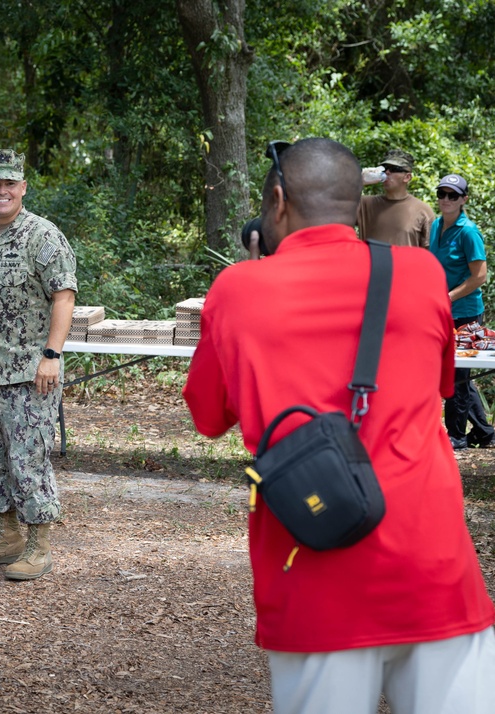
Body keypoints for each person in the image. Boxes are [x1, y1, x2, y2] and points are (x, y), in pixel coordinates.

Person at [183, 138, 495, 713]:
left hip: (314, 562)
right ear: (357, 206)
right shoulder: (423, 273)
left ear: (276, 202)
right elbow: (445, 384)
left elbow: (207, 417)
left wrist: (256, 273)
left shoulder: (237, 291)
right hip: (432, 564)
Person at [0, 149, 77, 581]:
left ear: (23, 188)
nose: (2, 191)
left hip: (30, 374)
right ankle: (6, 535)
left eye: (10, 184)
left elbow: (64, 296)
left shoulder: (42, 237)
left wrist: (51, 355)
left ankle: (39, 545)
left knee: (28, 460)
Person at [428, 173, 495, 450]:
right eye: (442, 194)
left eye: (452, 195)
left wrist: (449, 295)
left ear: (463, 199)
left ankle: (455, 436)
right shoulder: (435, 225)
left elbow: (480, 276)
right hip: (441, 310)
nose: (445, 199)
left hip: (465, 312)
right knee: (459, 374)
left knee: (457, 375)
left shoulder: (468, 232)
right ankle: (485, 431)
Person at [357, 149, 434, 247]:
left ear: (407, 177)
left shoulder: (423, 210)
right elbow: (334, 206)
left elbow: (431, 251)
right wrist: (358, 180)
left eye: (394, 169)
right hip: (371, 262)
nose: (387, 172)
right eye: (385, 168)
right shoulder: (364, 204)